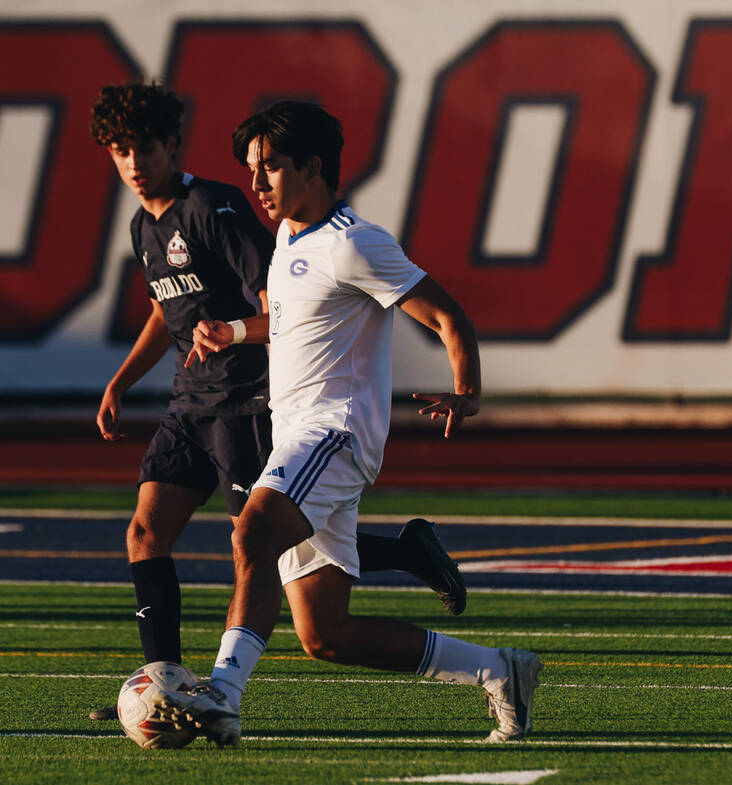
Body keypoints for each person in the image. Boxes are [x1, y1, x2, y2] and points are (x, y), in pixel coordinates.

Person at [157, 101, 541, 746]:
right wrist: (235, 332)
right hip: (300, 439)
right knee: (324, 635)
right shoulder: (286, 238)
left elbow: (450, 317)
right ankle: (498, 668)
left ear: (311, 167)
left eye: (271, 167)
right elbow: (289, 324)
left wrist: (465, 392)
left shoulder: (354, 242)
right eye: (252, 168)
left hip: (332, 434)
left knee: (252, 531)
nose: (257, 184)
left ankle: (222, 693)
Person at [88, 84, 465, 720]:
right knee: (146, 532)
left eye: (144, 147)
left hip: (246, 401)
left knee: (263, 539)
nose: (133, 162)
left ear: (171, 146)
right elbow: (164, 307)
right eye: (120, 150)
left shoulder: (215, 207)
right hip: (190, 402)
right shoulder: (142, 225)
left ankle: (402, 553)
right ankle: (165, 683)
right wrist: (121, 381)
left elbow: (278, 307)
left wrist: (232, 332)